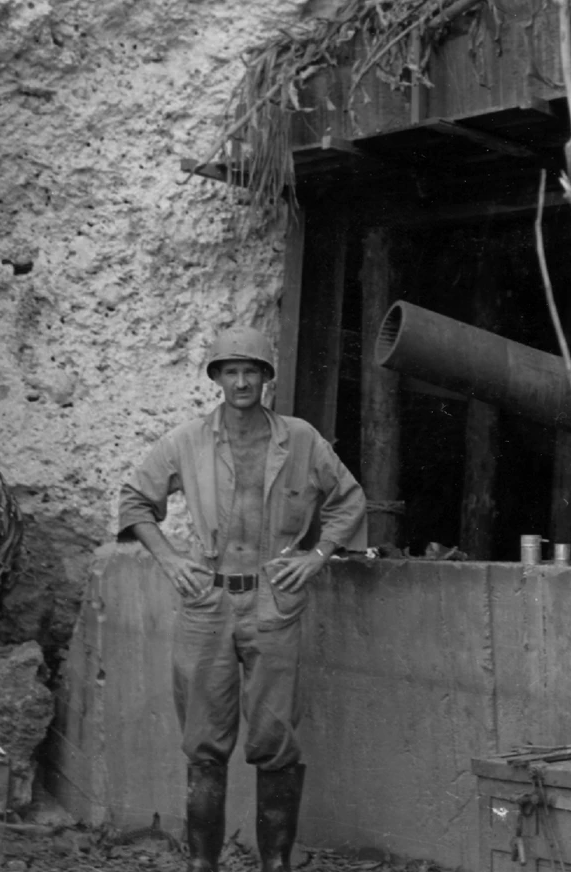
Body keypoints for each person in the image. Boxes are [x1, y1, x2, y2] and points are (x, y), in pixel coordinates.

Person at [118, 327, 367, 872]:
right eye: (229, 371)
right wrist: (171, 559)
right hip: (208, 602)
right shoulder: (186, 440)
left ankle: (274, 866)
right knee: (204, 743)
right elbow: (136, 500)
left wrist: (317, 554)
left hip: (274, 602)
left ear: (266, 378)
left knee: (276, 738)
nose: (241, 381)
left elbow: (349, 500)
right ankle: (203, 865)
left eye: (251, 370)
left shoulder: (299, 439)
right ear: (216, 378)